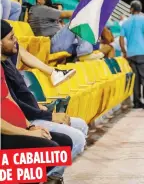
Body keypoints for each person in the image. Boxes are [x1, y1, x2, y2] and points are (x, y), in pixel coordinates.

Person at [1, 20, 88, 161]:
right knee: (75, 139)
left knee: (81, 127)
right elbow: (18, 105)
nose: (16, 41)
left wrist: (31, 124)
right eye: (11, 38)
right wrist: (43, 119)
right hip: (22, 121)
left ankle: (52, 177)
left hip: (28, 119)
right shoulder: (4, 67)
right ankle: (50, 176)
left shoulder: (7, 62)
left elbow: (14, 101)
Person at [1, 65, 72, 184]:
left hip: (19, 128)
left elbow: (10, 99)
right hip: (4, 133)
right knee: (51, 150)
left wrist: (30, 126)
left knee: (65, 142)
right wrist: (28, 133)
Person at [28, 0, 103, 61]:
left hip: (56, 43)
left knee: (90, 39)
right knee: (75, 21)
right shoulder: (40, 9)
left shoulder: (39, 10)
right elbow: (67, 14)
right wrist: (84, 12)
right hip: (51, 45)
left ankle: (84, 53)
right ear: (38, 0)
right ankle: (84, 53)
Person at [119, 0, 144, 109]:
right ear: (140, 9)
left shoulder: (125, 22)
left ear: (131, 9)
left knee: (136, 79)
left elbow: (121, 40)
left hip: (131, 55)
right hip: (142, 53)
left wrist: (124, 52)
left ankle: (137, 102)